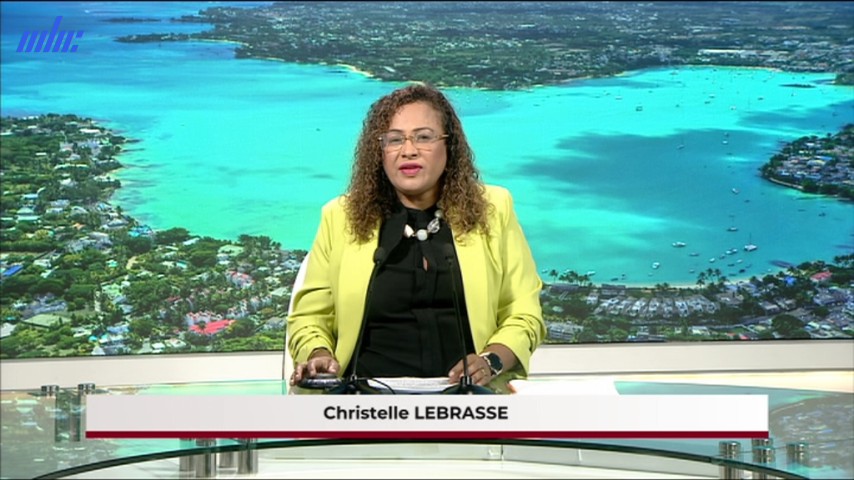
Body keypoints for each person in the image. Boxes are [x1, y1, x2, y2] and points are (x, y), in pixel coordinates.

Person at [287, 83, 544, 393]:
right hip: (364, 401)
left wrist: (491, 360)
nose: (408, 150)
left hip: (468, 399)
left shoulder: (494, 209)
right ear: (379, 152)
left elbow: (523, 312)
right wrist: (319, 354)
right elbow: (309, 317)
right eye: (395, 139)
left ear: (449, 146)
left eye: (423, 137)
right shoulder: (340, 217)